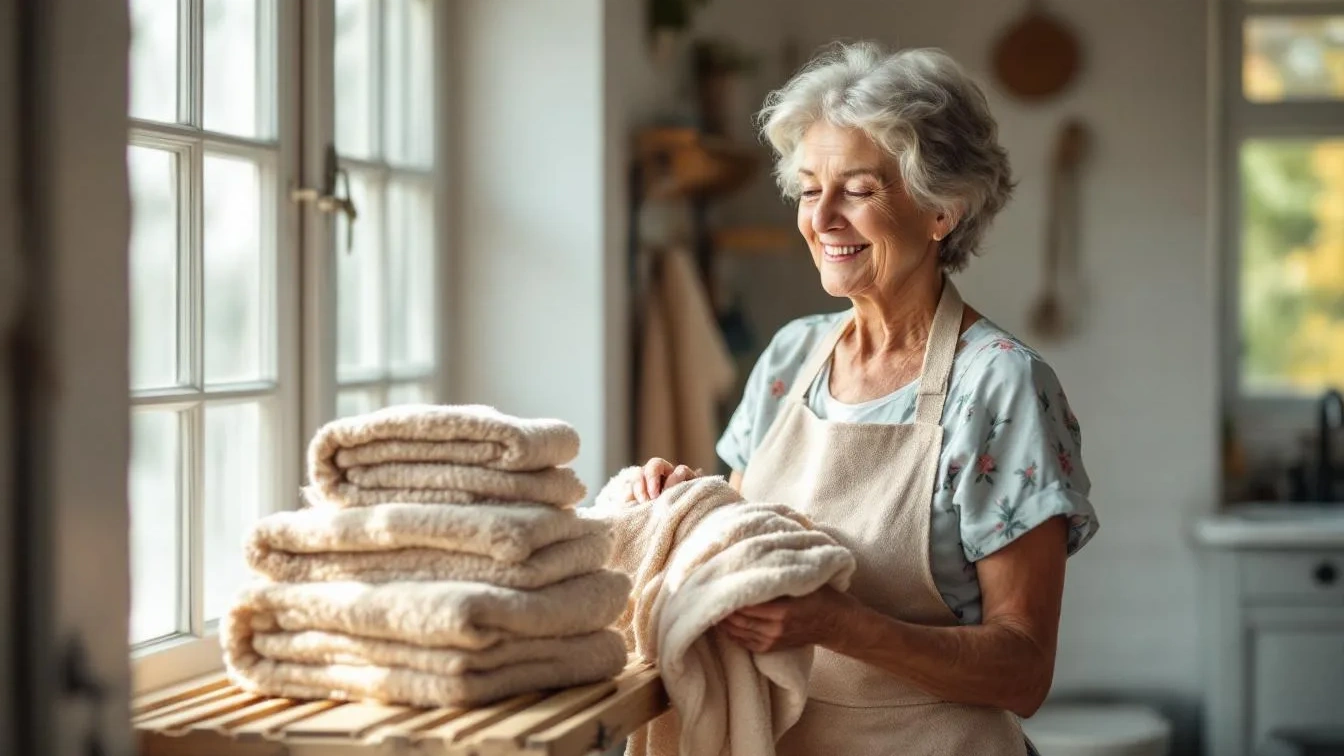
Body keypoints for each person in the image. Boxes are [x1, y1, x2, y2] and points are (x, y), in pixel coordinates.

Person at [632, 41, 1099, 755]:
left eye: (857, 189)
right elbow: (743, 547)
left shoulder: (1000, 386)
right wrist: (681, 506)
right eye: (809, 187)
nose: (820, 219)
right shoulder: (792, 358)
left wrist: (840, 625)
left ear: (942, 209)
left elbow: (1024, 670)